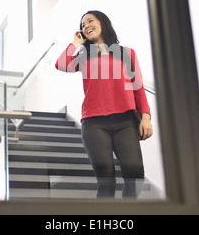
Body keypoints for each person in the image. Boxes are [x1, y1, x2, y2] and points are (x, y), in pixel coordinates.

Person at [55, 10, 152, 198]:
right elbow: (60, 64)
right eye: (82, 25)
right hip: (94, 123)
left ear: (103, 23)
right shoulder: (84, 56)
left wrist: (146, 117)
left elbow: (138, 89)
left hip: (125, 121)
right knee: (106, 181)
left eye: (90, 21)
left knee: (136, 177)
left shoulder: (126, 53)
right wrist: (75, 43)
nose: (86, 26)